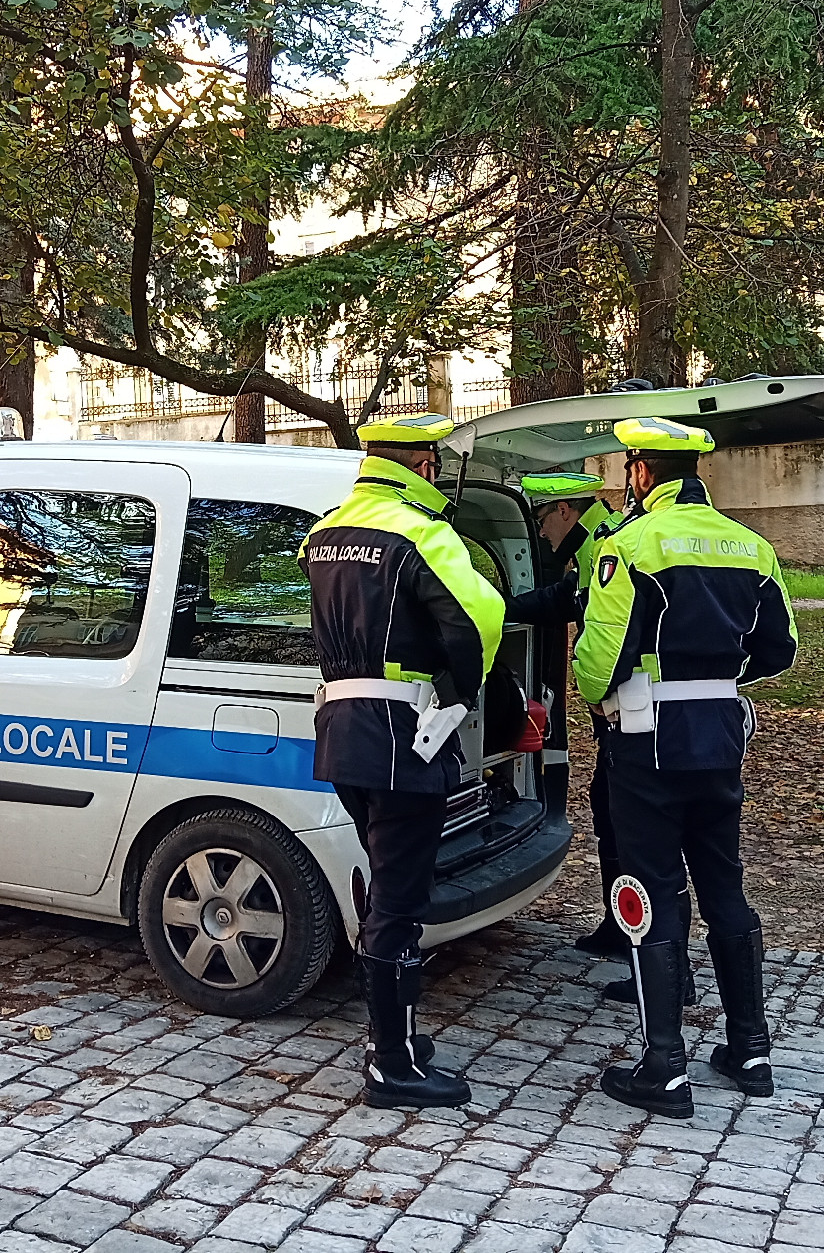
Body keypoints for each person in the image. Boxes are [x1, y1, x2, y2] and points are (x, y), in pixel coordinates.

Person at [572, 416, 797, 1118]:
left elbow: (597, 664)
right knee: (724, 885)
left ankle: (663, 1067)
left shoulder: (629, 544)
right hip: (720, 738)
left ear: (641, 471)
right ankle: (750, 1050)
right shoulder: (751, 547)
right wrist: (712, 678)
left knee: (653, 894)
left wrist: (619, 686)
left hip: (647, 742)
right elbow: (779, 648)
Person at [301, 412, 506, 1110]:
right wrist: (457, 691)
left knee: (385, 882)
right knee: (399, 901)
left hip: (343, 730)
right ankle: (392, 1065)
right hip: (402, 736)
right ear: (421, 465)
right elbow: (480, 619)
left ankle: (400, 1042)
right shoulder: (422, 533)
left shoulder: (324, 531)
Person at [504, 474, 633, 961]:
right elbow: (563, 600)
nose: (539, 534)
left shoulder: (607, 547)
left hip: (626, 716)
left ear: (564, 511)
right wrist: (502, 607)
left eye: (540, 520)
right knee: (610, 814)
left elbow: (608, 633)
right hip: (620, 717)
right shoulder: (592, 547)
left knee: (620, 819)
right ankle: (619, 925)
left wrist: (595, 691)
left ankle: (633, 937)